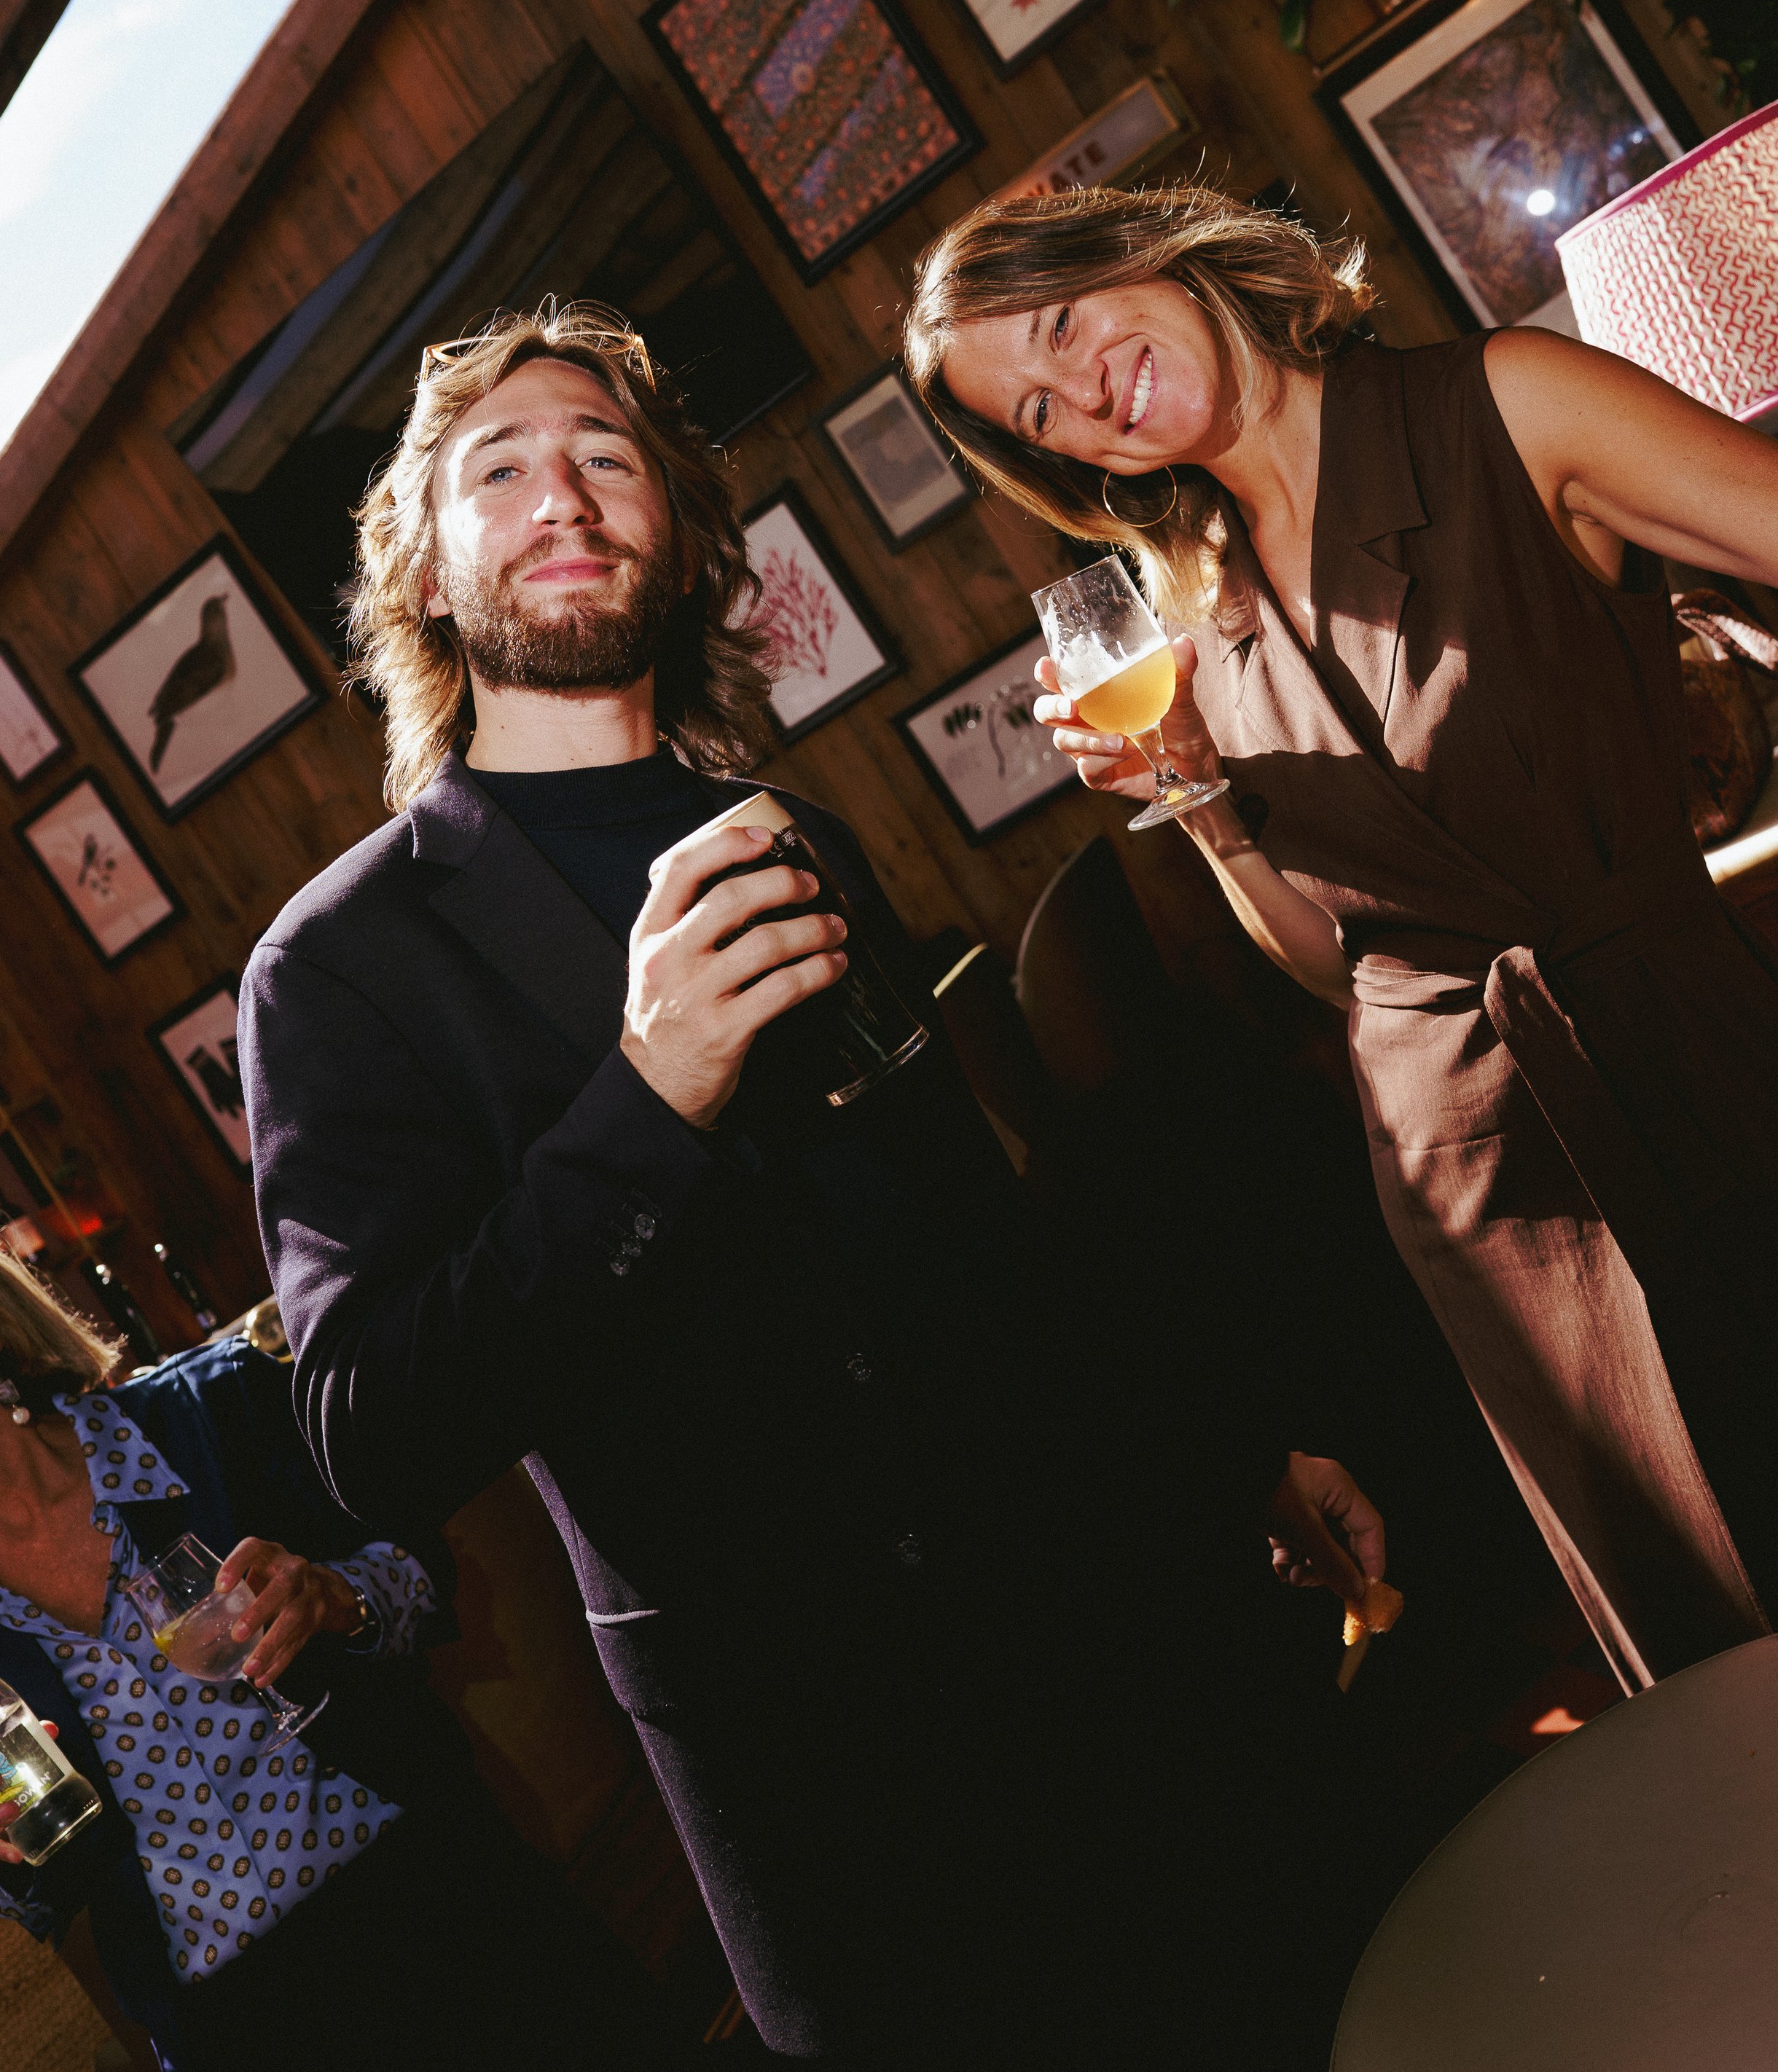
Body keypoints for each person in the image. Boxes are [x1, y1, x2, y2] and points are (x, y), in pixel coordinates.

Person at [238, 300, 1387, 2068]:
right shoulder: (339, 970)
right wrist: (650, 1090)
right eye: (503, 470)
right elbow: (368, 1435)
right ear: (431, 575)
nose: (566, 494)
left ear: (687, 546)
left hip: (1106, 1626)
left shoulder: (790, 830)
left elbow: (977, 1234)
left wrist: (1231, 1442)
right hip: (838, 1771)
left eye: (610, 460)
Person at [904, 180, 1778, 1696]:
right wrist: (1195, 797)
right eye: (1037, 412)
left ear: (1143, 249)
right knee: (1728, 1673)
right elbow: (1343, 963)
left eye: (1061, 325)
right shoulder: (1189, 609)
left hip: (1707, 1071)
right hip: (1483, 1201)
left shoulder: (1506, 407)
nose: (1079, 396)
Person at [0, 1255, 679, 2072]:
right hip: (236, 2024)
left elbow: (423, 1574)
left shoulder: (210, 1410)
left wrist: (335, 1596)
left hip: (433, 1896)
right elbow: (41, 1893)